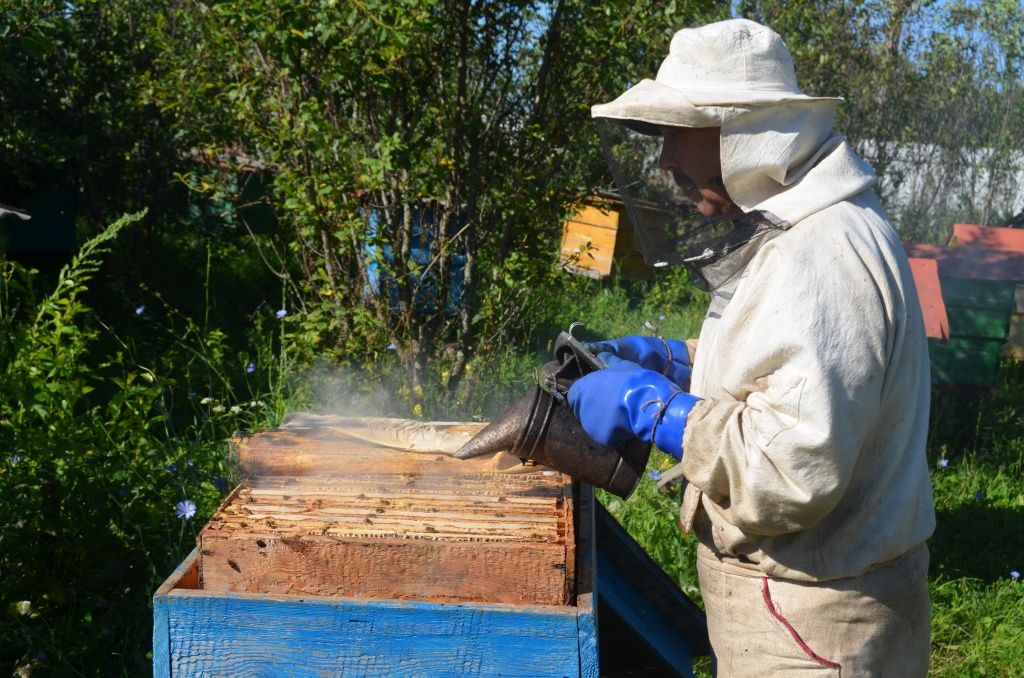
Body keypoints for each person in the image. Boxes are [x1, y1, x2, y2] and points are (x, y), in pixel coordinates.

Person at [567, 18, 935, 676]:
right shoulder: (805, 230)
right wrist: (679, 360)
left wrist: (663, 414)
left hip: (811, 622)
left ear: (745, 134)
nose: (664, 162)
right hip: (805, 603)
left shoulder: (818, 252)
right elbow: (795, 369)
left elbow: (791, 470)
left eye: (678, 134)